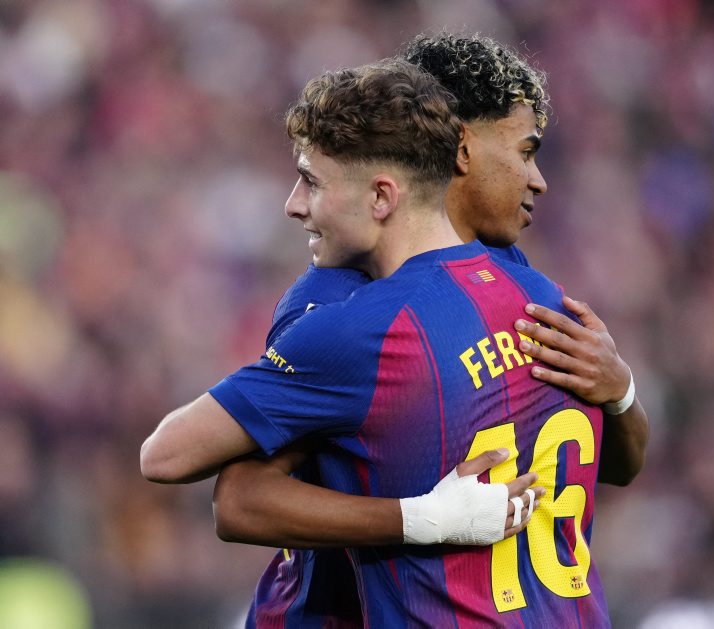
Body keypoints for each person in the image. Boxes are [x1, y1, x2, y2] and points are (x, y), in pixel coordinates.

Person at [141, 57, 625, 626]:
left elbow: (176, 463)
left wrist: (426, 520)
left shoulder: (351, 320)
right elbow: (617, 465)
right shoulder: (542, 296)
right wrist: (624, 394)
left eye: (312, 182)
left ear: (382, 197)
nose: (294, 204)